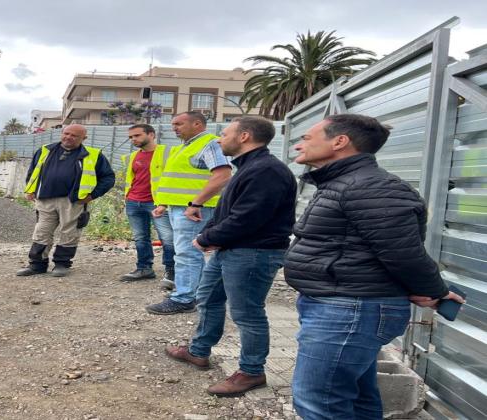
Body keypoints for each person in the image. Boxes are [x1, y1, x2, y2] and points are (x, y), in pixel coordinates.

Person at [284, 114, 465, 419]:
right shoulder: (345, 183)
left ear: (339, 142)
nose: (299, 145)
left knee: (320, 402)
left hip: (350, 310)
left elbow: (404, 253)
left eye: (307, 137)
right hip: (344, 307)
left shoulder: (369, 187)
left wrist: (433, 291)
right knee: (356, 398)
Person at [164, 117, 296, 397]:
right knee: (208, 298)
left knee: (247, 313)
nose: (219, 140)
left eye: (224, 134)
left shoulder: (266, 170)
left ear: (245, 136)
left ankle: (251, 372)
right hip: (233, 249)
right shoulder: (249, 167)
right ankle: (198, 352)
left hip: (254, 252)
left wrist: (206, 238)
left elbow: (248, 217)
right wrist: (212, 233)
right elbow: (228, 211)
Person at [145, 112, 232, 314]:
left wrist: (197, 203)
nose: (174, 127)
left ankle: (185, 298)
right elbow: (178, 180)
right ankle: (193, 293)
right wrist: (164, 203)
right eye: (173, 124)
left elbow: (222, 176)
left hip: (192, 210)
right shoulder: (185, 147)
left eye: (179, 124)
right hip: (181, 207)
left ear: (197, 124)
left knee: (187, 253)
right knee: (187, 252)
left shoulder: (209, 143)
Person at [16, 124, 116, 277]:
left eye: (74, 135)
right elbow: (33, 171)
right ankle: (36, 265)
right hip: (45, 199)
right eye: (66, 133)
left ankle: (62, 264)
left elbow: (108, 178)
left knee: (69, 232)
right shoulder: (45, 150)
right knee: (41, 232)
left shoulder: (93, 155)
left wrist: (93, 195)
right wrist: (31, 189)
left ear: (84, 138)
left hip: (73, 201)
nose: (68, 137)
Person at [118, 124, 176, 287]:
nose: (133, 139)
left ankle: (171, 271)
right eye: (131, 137)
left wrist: (165, 202)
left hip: (157, 203)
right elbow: (132, 179)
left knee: (167, 238)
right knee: (140, 237)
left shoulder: (169, 153)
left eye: (137, 135)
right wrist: (128, 198)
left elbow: (174, 179)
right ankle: (144, 268)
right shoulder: (132, 156)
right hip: (134, 201)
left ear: (151, 134)